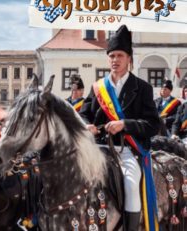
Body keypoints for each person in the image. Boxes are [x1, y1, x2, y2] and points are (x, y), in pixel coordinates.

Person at [79, 25, 160, 231]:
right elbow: (84, 114)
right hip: (97, 148)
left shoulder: (143, 88)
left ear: (129, 58)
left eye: (120, 55)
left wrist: (125, 124)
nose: (115, 60)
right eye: (112, 55)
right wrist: (86, 125)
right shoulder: (98, 87)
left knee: (132, 185)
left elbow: (152, 125)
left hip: (126, 150)